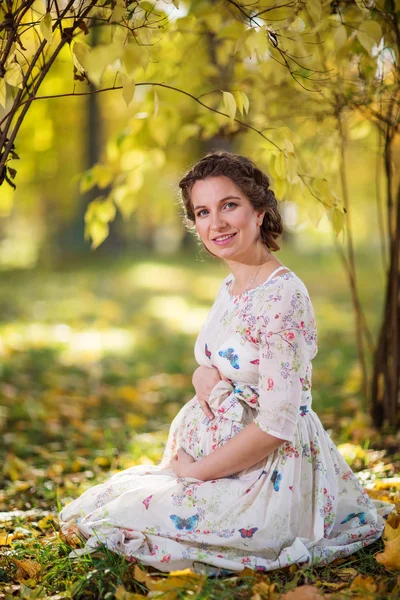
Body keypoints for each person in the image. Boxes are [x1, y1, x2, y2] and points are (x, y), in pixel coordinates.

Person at [59, 150, 392, 575]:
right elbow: (222, 363)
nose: (215, 223)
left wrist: (196, 473)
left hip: (269, 473)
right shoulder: (231, 284)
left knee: (129, 517)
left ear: (259, 211)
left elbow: (277, 424)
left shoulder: (282, 296)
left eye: (229, 205)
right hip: (220, 460)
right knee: (108, 504)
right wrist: (204, 377)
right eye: (202, 211)